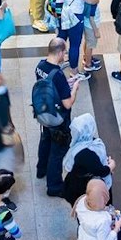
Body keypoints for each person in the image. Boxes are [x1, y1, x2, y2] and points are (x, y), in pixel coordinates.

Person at [33, 36, 77, 195]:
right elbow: (67, 103)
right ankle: (54, 186)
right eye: (64, 52)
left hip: (44, 114)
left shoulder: (40, 66)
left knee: (45, 141)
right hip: (58, 119)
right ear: (59, 53)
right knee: (57, 151)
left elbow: (49, 87)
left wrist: (66, 85)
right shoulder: (58, 74)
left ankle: (41, 169)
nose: (65, 55)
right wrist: (75, 88)